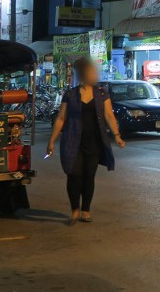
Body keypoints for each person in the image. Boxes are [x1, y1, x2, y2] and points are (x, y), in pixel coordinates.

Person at [47, 56, 125, 225]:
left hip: (94, 143)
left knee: (89, 176)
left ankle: (85, 210)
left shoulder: (102, 93)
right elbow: (61, 118)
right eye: (90, 71)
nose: (94, 74)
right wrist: (51, 141)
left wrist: (117, 136)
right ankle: (75, 209)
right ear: (82, 74)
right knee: (74, 175)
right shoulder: (70, 94)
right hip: (72, 142)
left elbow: (109, 116)